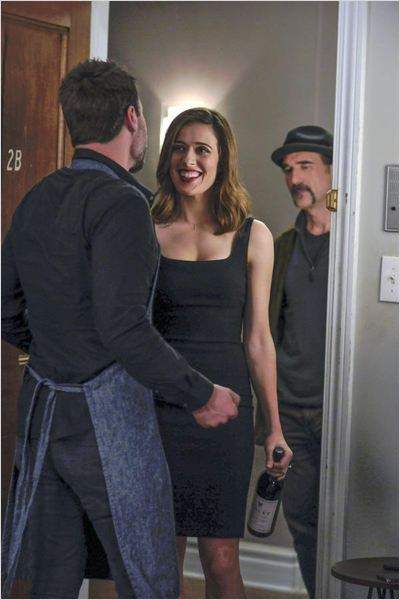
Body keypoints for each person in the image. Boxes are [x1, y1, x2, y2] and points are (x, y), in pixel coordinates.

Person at [1, 60, 241, 600]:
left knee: (53, 580)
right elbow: (124, 328)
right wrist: (201, 394)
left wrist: (57, 350)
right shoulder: (125, 204)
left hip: (42, 411)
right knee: (148, 577)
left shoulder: (38, 196)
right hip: (105, 420)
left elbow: (4, 307)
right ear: (132, 118)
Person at [151, 107, 293, 599]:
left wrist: (273, 427)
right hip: (159, 407)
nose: (188, 160)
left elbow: (258, 338)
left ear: (222, 159)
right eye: (179, 148)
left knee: (222, 558)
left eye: (202, 150)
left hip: (227, 410)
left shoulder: (254, 235)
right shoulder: (146, 227)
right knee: (161, 556)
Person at [255, 125, 333, 599]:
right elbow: (266, 332)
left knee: (350, 515)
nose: (294, 178)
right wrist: (272, 418)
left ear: (332, 171)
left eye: (305, 166)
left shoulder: (354, 244)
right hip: (292, 413)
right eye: (289, 169)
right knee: (301, 518)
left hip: (337, 408)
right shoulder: (283, 246)